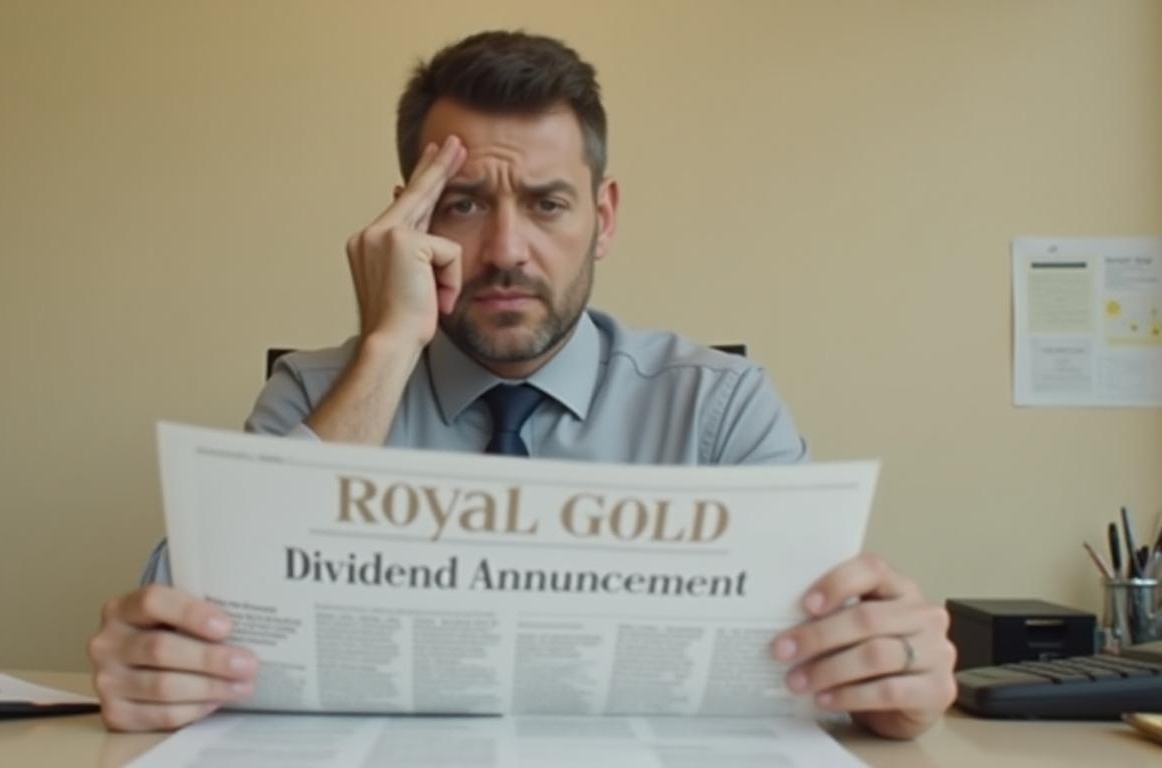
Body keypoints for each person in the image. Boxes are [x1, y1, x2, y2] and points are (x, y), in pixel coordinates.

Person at [86, 30, 957, 738]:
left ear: (602, 219)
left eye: (547, 204)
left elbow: (833, 654)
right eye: (463, 204)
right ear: (408, 221)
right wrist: (388, 347)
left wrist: (894, 677)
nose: (506, 251)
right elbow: (187, 629)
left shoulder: (719, 409)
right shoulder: (314, 393)